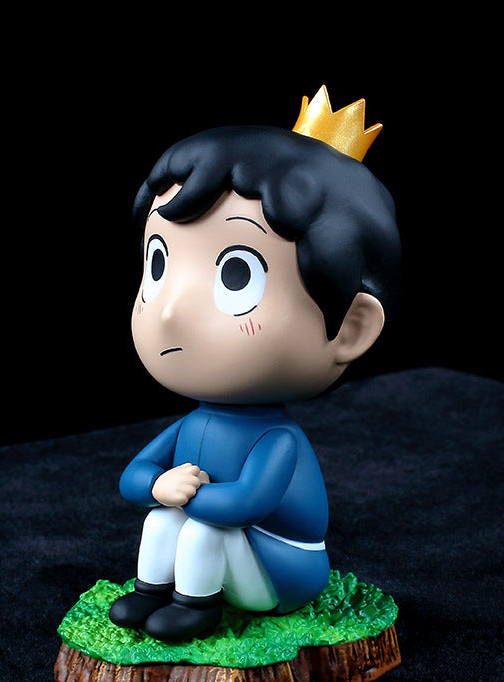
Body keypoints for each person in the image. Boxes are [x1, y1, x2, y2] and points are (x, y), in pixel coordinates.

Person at [109, 87, 401, 642]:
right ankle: (151, 591)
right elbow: (133, 478)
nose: (169, 312)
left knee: (202, 530)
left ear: (351, 328)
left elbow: (247, 502)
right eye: (158, 263)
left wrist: (187, 493)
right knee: (162, 518)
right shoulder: (192, 423)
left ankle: (195, 606)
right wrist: (160, 486)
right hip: (230, 544)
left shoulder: (278, 440)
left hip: (283, 567)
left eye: (237, 276)